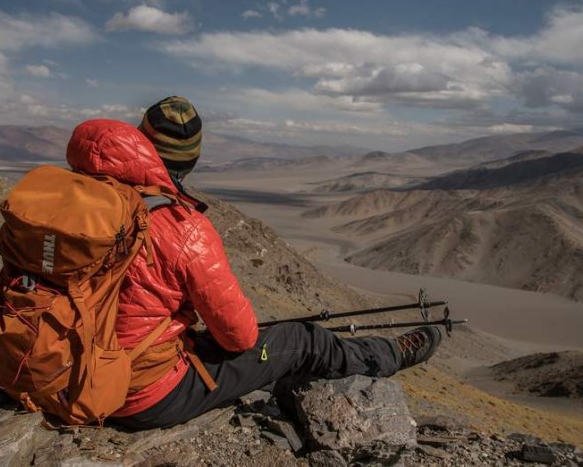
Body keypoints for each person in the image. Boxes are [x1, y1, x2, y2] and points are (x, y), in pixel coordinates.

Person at [65, 96, 442, 430]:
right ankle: (390, 355)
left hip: (55, 368)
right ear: (191, 160)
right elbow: (240, 336)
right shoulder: (181, 227)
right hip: (136, 394)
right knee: (299, 339)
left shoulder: (67, 194)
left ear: (138, 140)